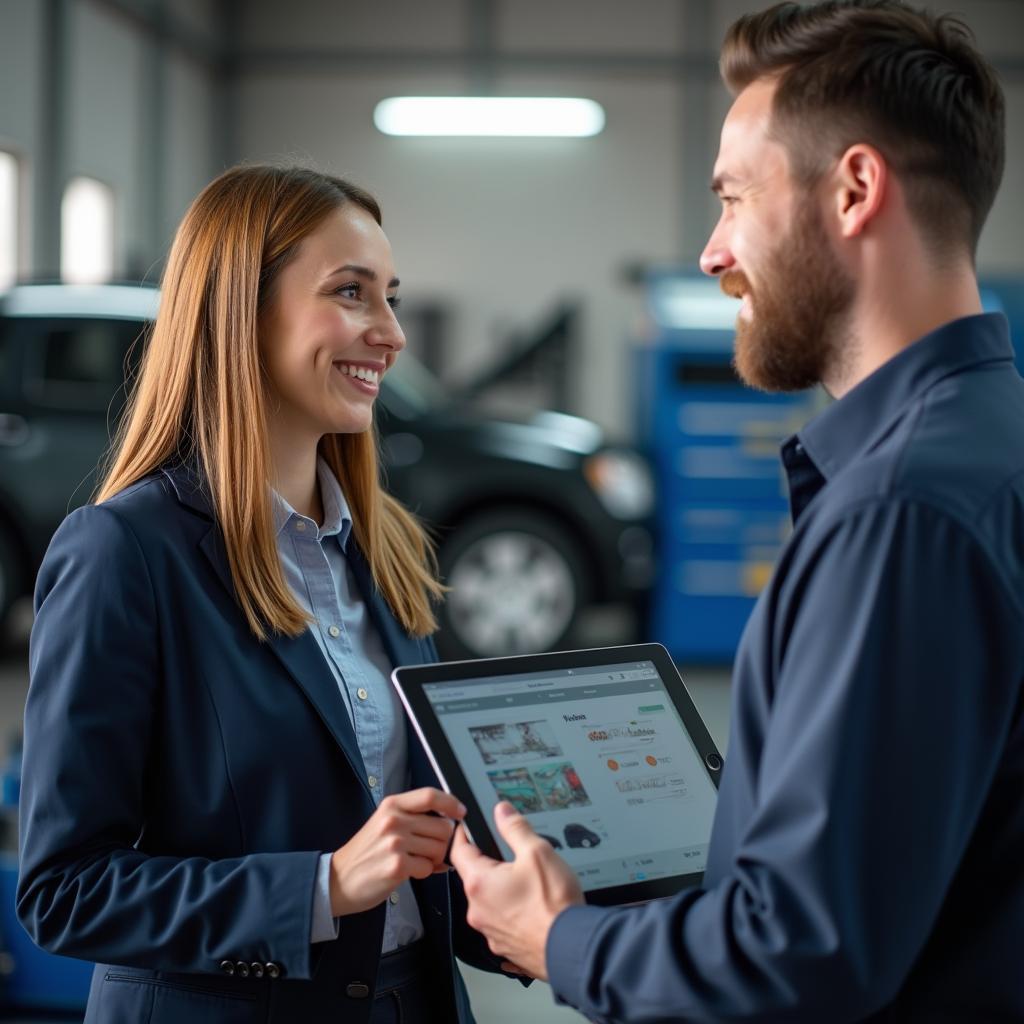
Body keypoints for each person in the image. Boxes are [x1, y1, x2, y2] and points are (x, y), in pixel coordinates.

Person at [451, 1, 1024, 1020]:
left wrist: (559, 937)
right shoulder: (992, 439)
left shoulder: (897, 513)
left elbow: (798, 954)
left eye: (732, 199)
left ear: (853, 189)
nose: (713, 253)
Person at [17, 165, 505, 1024]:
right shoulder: (125, 555)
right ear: (241, 311)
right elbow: (67, 889)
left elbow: (415, 861)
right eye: (352, 293)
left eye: (390, 296)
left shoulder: (383, 547)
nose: (390, 334)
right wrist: (323, 885)